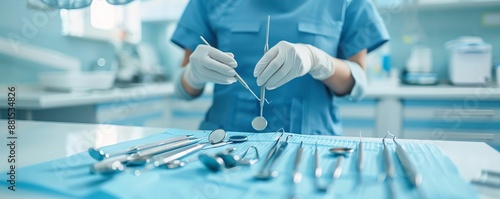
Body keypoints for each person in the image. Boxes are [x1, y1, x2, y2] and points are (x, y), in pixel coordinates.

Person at [171, 0, 389, 135]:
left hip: (311, 145)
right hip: (224, 143)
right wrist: (193, 74)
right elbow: (183, 90)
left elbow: (357, 83)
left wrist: (318, 60)